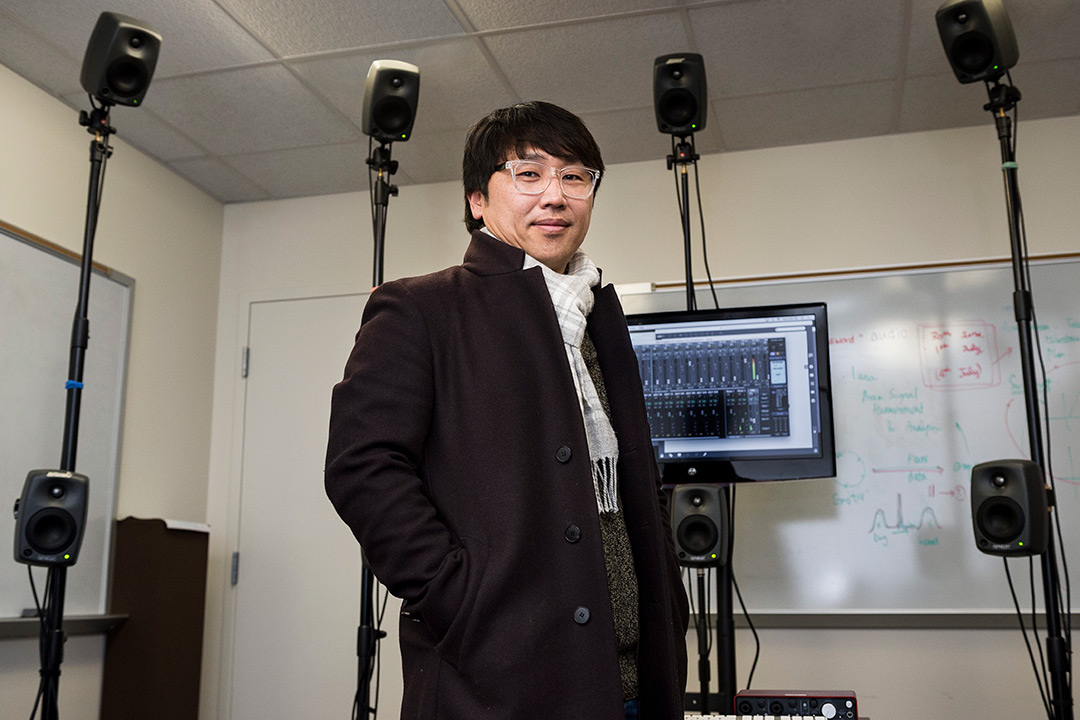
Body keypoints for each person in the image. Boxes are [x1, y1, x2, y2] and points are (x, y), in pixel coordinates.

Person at [325, 100, 688, 720]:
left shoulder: (600, 314)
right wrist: (457, 600)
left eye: (575, 177)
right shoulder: (420, 309)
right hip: (496, 685)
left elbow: (633, 477)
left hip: (629, 682)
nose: (556, 195)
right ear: (477, 200)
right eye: (529, 173)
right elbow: (363, 469)